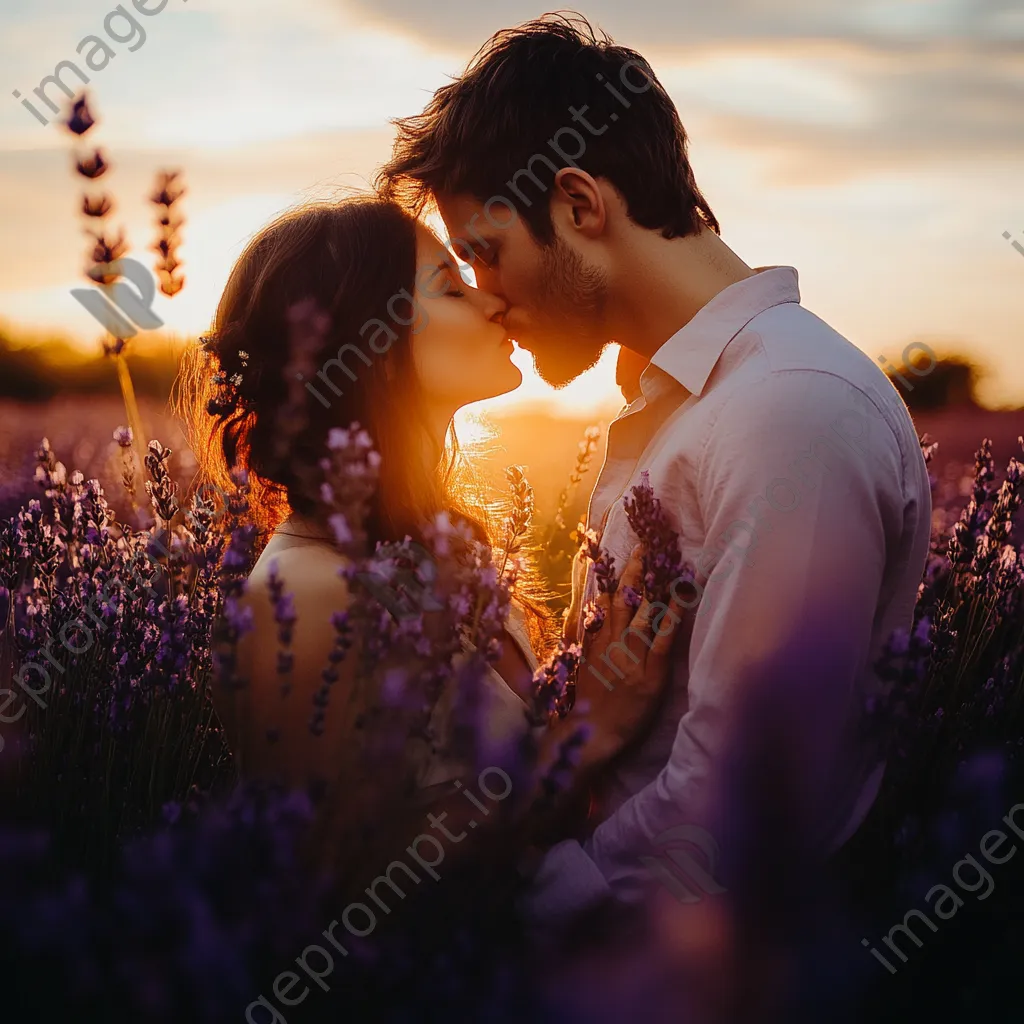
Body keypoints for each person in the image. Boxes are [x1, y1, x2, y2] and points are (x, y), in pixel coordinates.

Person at [377, 13, 933, 919]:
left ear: (579, 205)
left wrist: (523, 917)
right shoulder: (690, 402)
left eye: (486, 250)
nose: (486, 295)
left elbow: (749, 789)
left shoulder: (788, 407)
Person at [178, 197, 677, 854]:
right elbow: (344, 889)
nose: (491, 300)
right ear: (372, 344)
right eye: (450, 286)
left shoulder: (419, 553)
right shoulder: (307, 593)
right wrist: (586, 737)